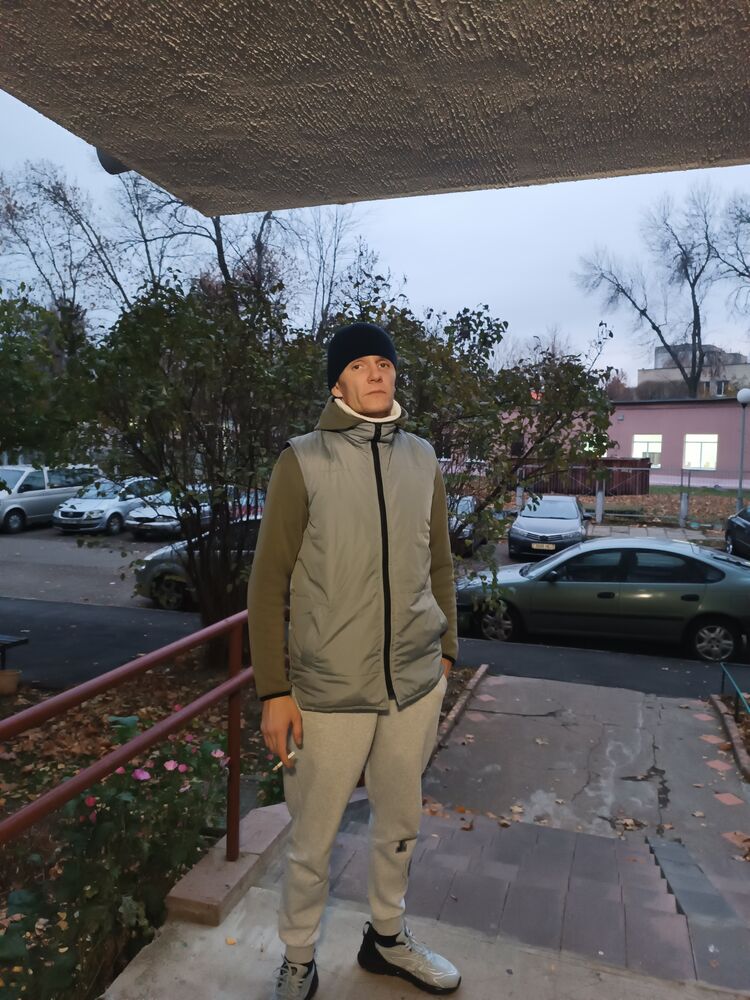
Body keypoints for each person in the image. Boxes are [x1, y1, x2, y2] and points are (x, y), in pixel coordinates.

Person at [247, 321, 461, 998]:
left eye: (385, 364)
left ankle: (387, 939)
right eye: (362, 364)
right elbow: (268, 582)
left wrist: (446, 650)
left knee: (400, 824)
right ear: (338, 381)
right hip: (329, 691)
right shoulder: (303, 460)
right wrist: (273, 689)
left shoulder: (422, 459)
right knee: (313, 837)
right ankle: (298, 957)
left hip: (414, 685)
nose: (377, 373)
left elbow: (440, 563)